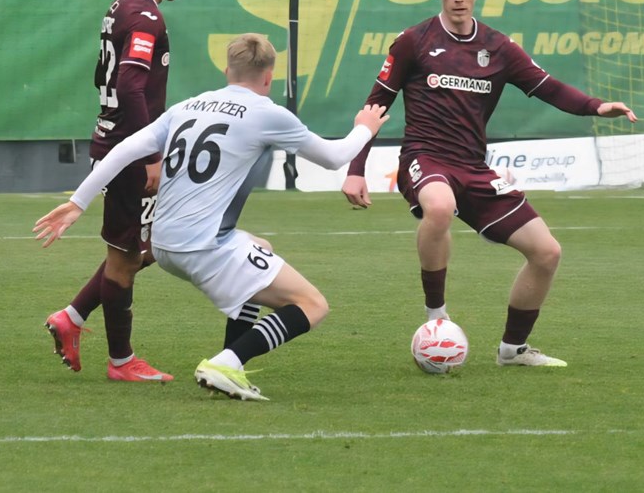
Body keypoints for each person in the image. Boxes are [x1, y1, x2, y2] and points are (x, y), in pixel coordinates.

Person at [35, 33, 389, 400]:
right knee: (313, 305)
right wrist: (366, 126)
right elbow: (335, 157)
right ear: (269, 76)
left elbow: (125, 149)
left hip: (161, 244)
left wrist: (78, 203)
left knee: (260, 247)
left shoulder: (189, 105)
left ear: (227, 71)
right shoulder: (267, 113)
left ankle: (231, 366)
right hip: (204, 249)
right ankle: (227, 362)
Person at [341, 0, 637, 368]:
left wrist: (597, 106)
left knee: (547, 252)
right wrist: (356, 171)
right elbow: (375, 106)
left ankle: (513, 350)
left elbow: (548, 87)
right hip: (425, 156)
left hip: (474, 168)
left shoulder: (499, 47)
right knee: (439, 207)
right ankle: (436, 317)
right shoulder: (414, 41)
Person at [44, 0, 201, 382]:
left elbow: (109, 79)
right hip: (130, 150)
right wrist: (150, 153)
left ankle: (73, 317)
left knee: (141, 247)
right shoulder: (146, 16)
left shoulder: (120, 6)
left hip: (116, 141)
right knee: (129, 255)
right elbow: (130, 84)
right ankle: (120, 361)